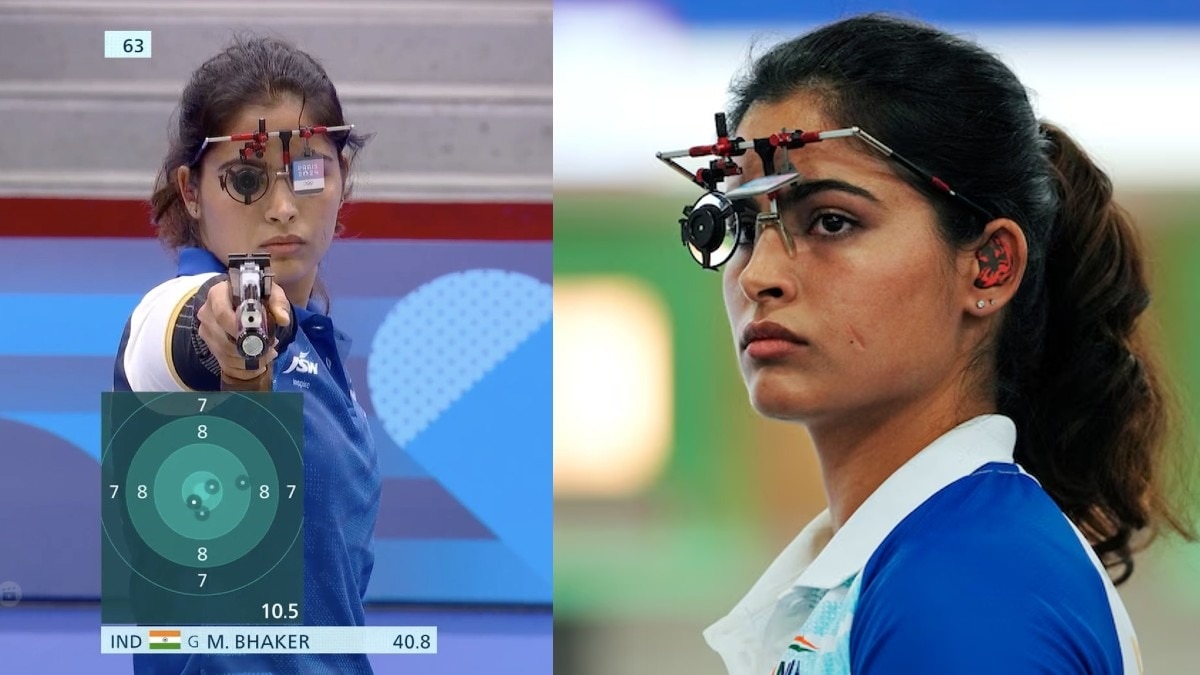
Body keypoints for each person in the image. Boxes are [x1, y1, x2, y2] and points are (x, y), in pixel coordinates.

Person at [669, 14, 1195, 675]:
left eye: (831, 221)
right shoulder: (925, 554)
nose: (758, 274)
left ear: (990, 266)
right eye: (742, 226)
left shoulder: (966, 582)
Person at [112, 35, 379, 674]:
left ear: (344, 178)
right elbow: (181, 330)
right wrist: (231, 348)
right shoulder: (175, 312)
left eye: (311, 169)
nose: (284, 206)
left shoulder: (319, 345)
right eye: (247, 177)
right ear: (193, 190)